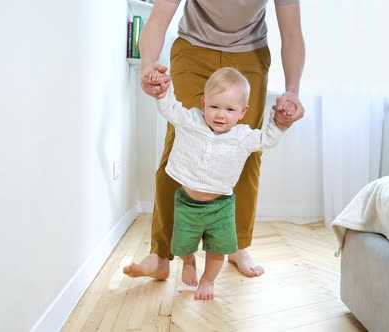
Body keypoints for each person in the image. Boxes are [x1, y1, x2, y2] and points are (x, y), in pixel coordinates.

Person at [123, 0, 305, 280]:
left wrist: (293, 90)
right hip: (193, 49)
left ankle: (236, 245)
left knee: (247, 150)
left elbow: (292, 32)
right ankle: (160, 253)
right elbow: (159, 17)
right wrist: (148, 65)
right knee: (179, 144)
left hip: (251, 53)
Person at [148, 66, 292, 299]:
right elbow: (170, 109)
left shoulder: (243, 136)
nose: (220, 114)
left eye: (229, 109)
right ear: (203, 104)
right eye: (214, 107)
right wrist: (163, 91)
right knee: (180, 245)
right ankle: (188, 262)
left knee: (218, 250)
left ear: (242, 112)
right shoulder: (191, 121)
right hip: (187, 203)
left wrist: (280, 123)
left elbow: (268, 139)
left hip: (221, 207)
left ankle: (208, 280)